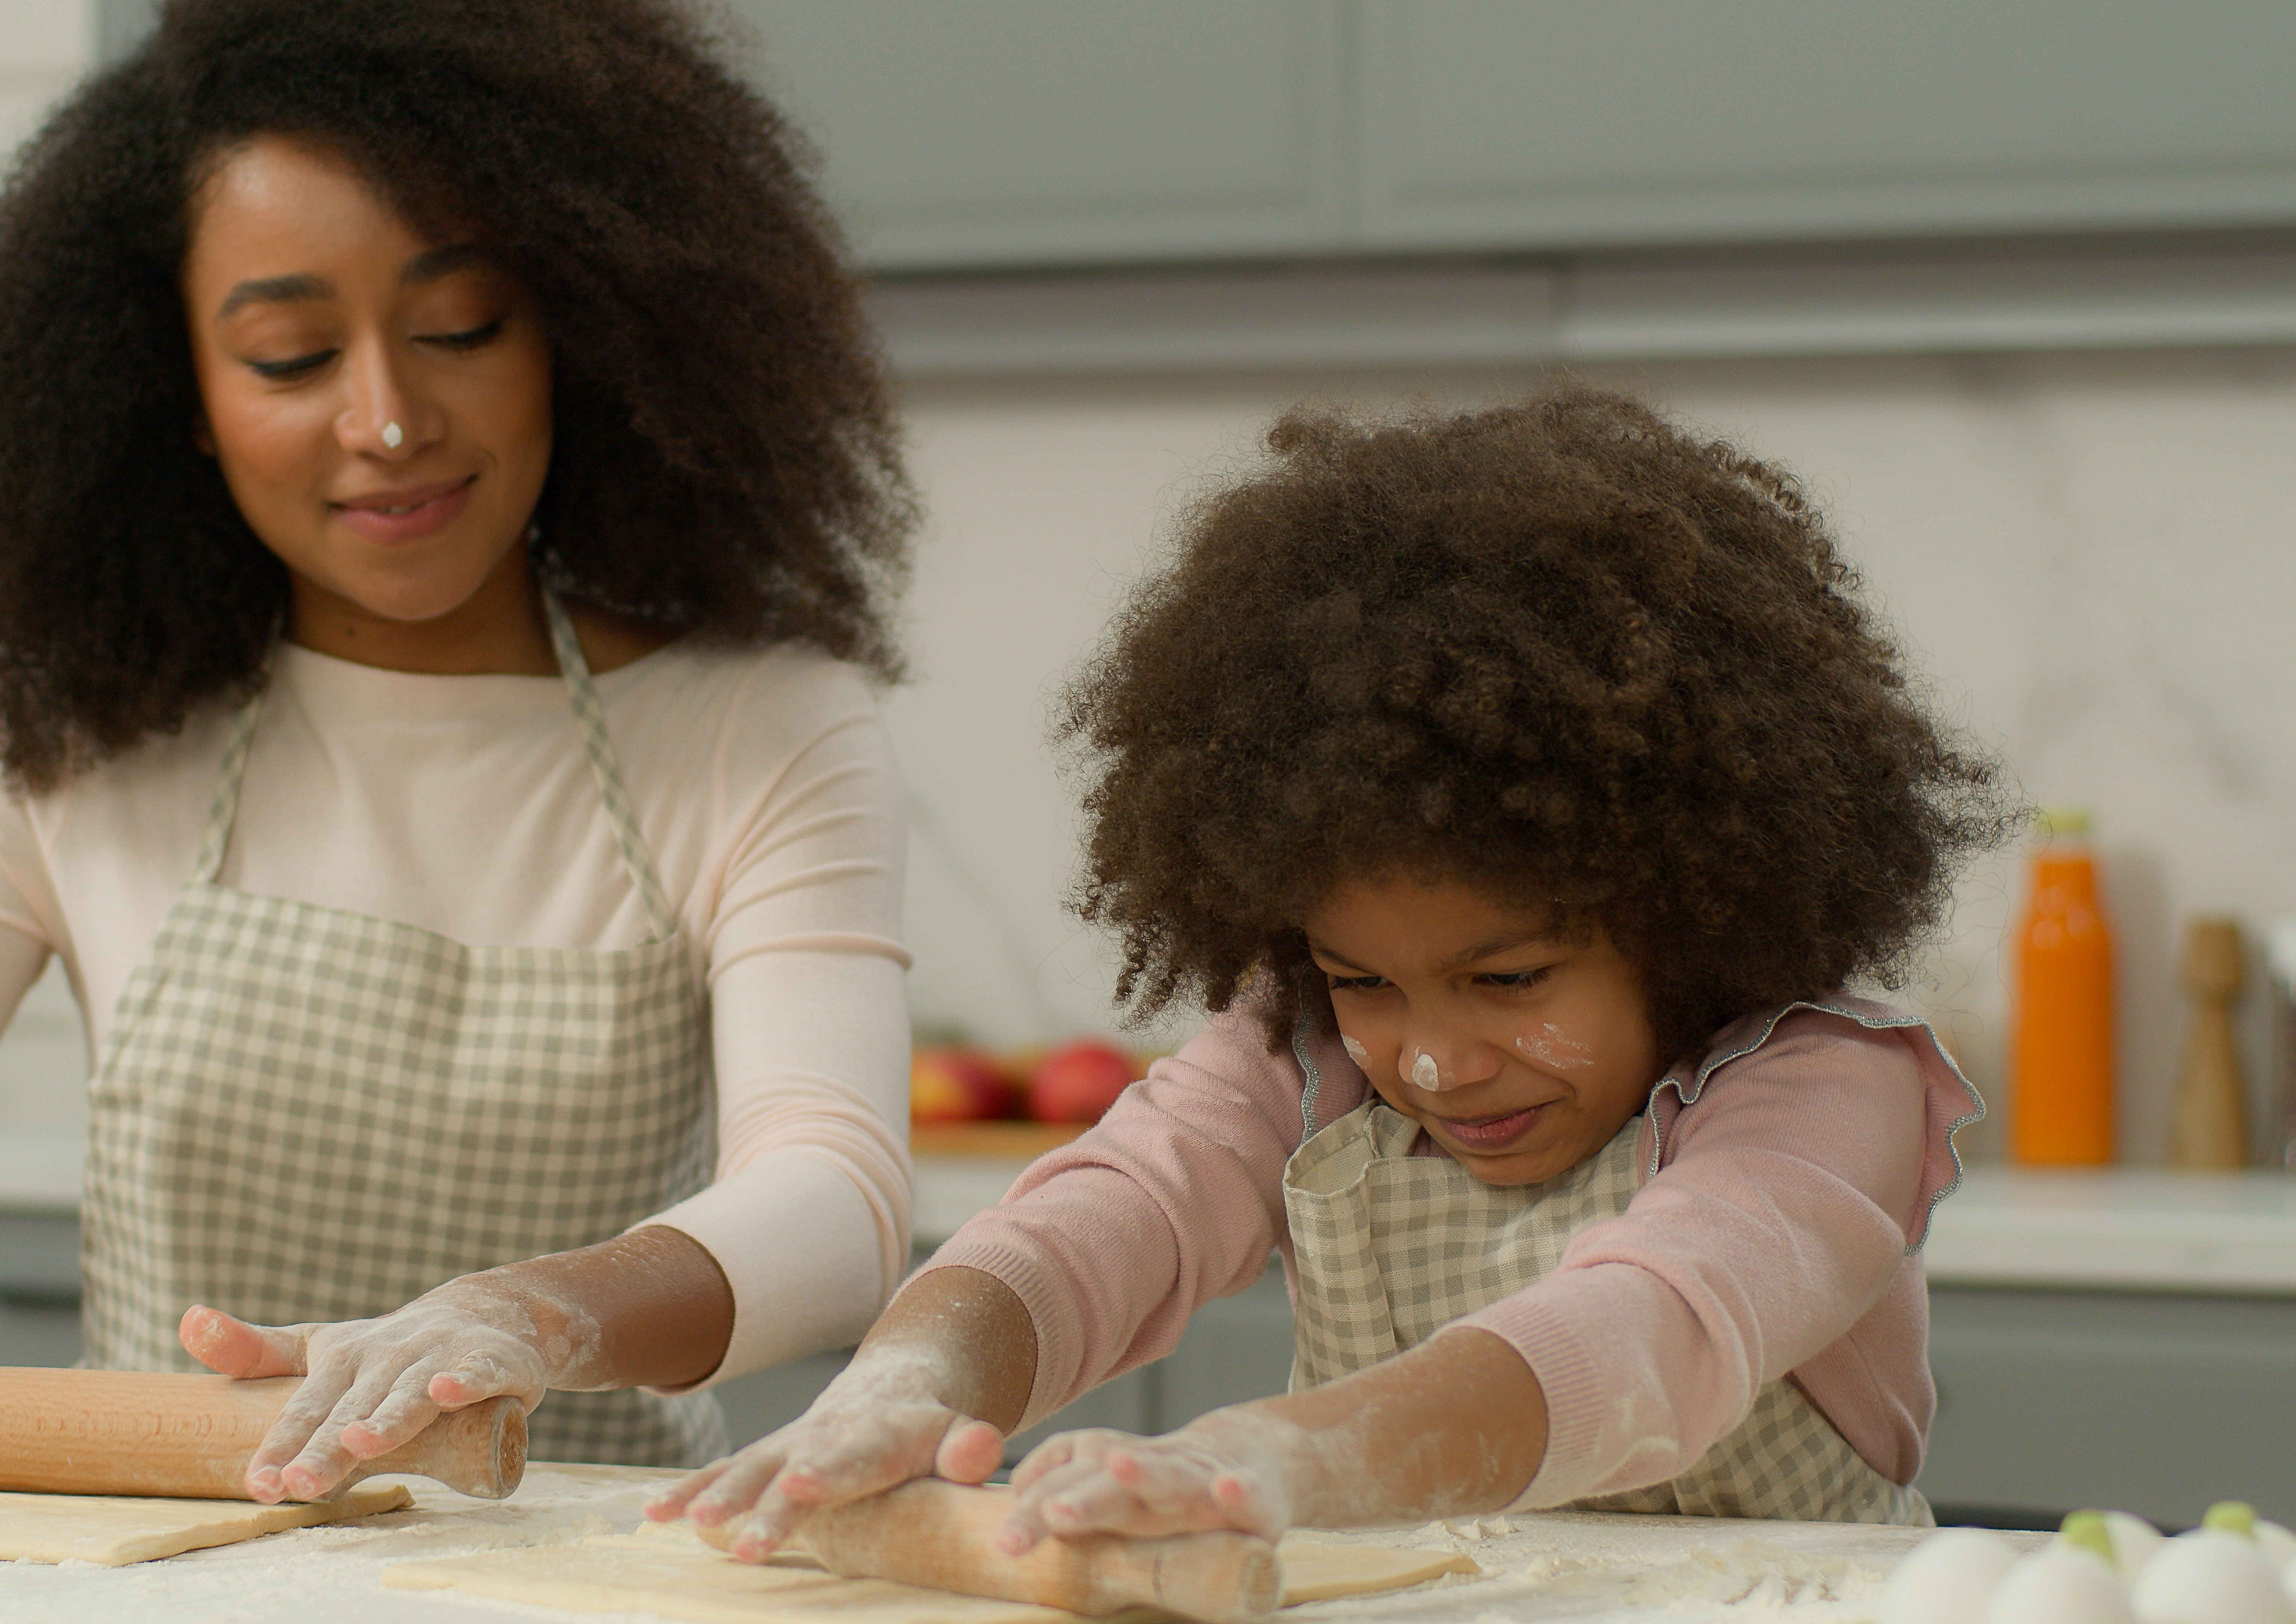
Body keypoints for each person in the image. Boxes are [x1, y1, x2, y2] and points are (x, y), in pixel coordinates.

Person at [0, 0, 919, 1492]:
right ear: (186, 401)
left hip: (585, 1567)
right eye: (290, 356)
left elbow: (835, 1200)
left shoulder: (761, 725)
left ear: (579, 335)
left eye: (461, 328)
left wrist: (538, 1315)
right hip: (162, 1560)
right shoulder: (74, 733)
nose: (389, 420)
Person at [652, 387, 2016, 1554]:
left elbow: (1652, 1329)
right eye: (1365, 982)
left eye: (1510, 980)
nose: (1432, 1059)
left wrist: (1286, 1460)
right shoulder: (1300, 1061)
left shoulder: (1826, 1088)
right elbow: (1104, 1218)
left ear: (1686, 912)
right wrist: (913, 1376)